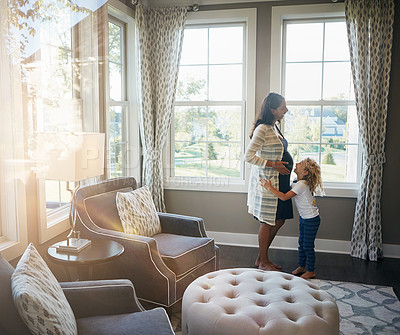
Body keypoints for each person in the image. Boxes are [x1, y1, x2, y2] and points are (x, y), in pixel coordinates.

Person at [245, 92, 294, 271]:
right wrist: (274, 165)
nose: (286, 110)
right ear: (272, 110)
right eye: (282, 107)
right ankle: (264, 262)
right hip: (268, 182)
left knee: (279, 220)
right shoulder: (263, 129)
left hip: (280, 182)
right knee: (267, 221)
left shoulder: (274, 127)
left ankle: (261, 258)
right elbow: (248, 157)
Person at [260, 158, 323, 279]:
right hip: (305, 218)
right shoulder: (296, 181)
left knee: (308, 245)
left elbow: (284, 197)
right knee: (301, 243)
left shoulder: (301, 185)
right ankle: (302, 266)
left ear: (305, 172)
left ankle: (311, 270)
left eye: (301, 164)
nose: (297, 163)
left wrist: (269, 187)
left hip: (311, 219)